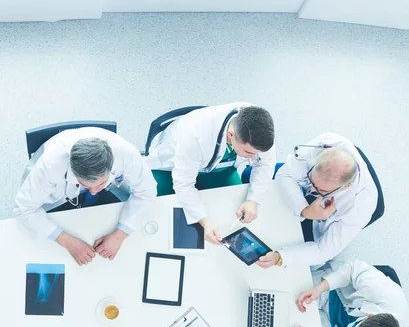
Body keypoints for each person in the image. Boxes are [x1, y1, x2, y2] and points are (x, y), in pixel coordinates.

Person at [15, 127, 157, 265]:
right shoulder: (51, 165)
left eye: (101, 183)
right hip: (56, 198)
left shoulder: (125, 153)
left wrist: (120, 234)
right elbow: (24, 208)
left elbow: (147, 191)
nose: (94, 191)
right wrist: (66, 240)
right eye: (86, 185)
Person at [145, 103, 275, 244]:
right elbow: (183, 184)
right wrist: (204, 220)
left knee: (233, 214)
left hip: (220, 169)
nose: (252, 158)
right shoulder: (195, 132)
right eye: (249, 152)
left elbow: (265, 164)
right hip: (169, 169)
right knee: (164, 219)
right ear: (231, 135)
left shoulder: (261, 127)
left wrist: (253, 200)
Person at [257, 133, 378, 269]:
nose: (313, 191)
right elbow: (284, 174)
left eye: (323, 191)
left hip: (323, 224)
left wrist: (281, 256)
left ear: (347, 186)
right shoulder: (325, 145)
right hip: (308, 205)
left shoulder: (360, 207)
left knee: (304, 265)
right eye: (312, 181)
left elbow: (324, 250)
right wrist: (305, 211)